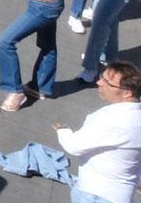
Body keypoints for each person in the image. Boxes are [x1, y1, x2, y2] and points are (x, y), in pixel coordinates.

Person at [56, 60, 141, 203]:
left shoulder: (111, 119)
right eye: (102, 77)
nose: (99, 83)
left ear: (127, 93)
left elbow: (74, 146)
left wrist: (63, 130)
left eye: (107, 82)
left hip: (94, 194)